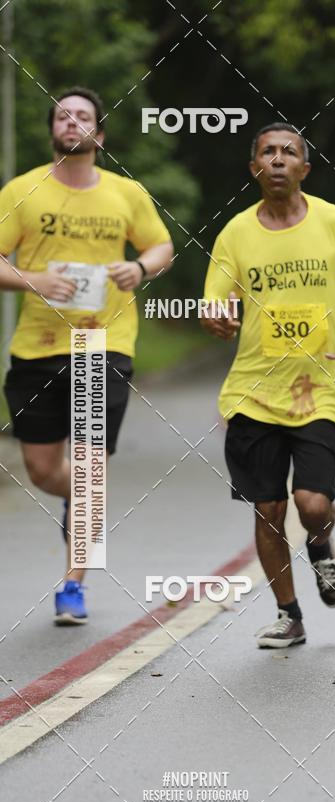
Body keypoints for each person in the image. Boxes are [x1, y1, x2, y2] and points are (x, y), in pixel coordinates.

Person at [202, 122, 335, 649]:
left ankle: (322, 550)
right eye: (268, 152)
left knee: (310, 504)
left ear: (305, 169)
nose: (279, 159)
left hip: (322, 389)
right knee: (269, 509)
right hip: (253, 393)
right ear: (254, 168)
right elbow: (214, 299)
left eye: (290, 152)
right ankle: (290, 614)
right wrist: (215, 316)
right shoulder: (235, 233)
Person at [0, 87, 173, 624]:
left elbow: (161, 246)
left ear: (99, 134)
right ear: (53, 131)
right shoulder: (22, 190)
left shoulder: (126, 194)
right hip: (36, 347)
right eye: (61, 115)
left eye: (82, 117)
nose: (71, 122)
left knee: (91, 469)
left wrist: (139, 269)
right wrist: (34, 279)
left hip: (103, 341)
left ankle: (74, 583)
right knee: (43, 468)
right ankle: (82, 497)